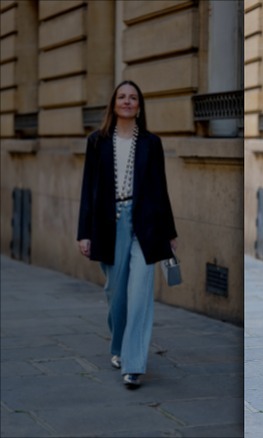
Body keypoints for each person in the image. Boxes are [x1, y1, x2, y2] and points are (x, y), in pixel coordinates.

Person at [77, 80, 178, 389]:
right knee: (116, 295)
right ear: (114, 103)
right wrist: (84, 232)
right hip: (110, 224)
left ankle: (133, 365)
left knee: (139, 296)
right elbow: (87, 190)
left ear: (139, 105)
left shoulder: (151, 142)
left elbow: (161, 189)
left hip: (146, 225)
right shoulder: (97, 141)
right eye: (122, 97)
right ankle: (119, 346)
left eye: (133, 97)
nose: (127, 101)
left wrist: (170, 233)